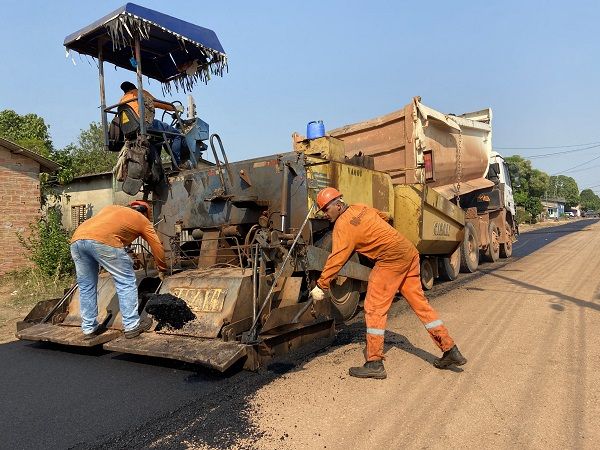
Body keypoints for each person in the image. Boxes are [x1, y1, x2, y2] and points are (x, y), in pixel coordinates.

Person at [310, 187, 467, 379]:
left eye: (326, 210)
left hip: (390, 260)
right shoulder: (360, 208)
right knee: (420, 304)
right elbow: (385, 217)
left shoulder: (343, 225)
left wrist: (322, 285)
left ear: (337, 204)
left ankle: (374, 362)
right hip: (408, 252)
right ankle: (450, 348)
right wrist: (370, 239)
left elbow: (337, 258)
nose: (325, 215)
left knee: (374, 307)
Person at [70, 200, 167, 339]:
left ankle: (89, 329)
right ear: (146, 213)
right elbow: (157, 246)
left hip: (77, 239)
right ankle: (132, 326)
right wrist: (162, 267)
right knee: (125, 281)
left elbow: (108, 229)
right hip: (103, 241)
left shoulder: (111, 208)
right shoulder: (142, 220)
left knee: (86, 286)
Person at [119, 81, 183, 164]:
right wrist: (174, 108)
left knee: (158, 138)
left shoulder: (122, 101)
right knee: (176, 134)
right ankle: (177, 164)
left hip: (130, 130)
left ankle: (157, 163)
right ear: (134, 87)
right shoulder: (138, 92)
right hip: (144, 125)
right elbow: (157, 103)